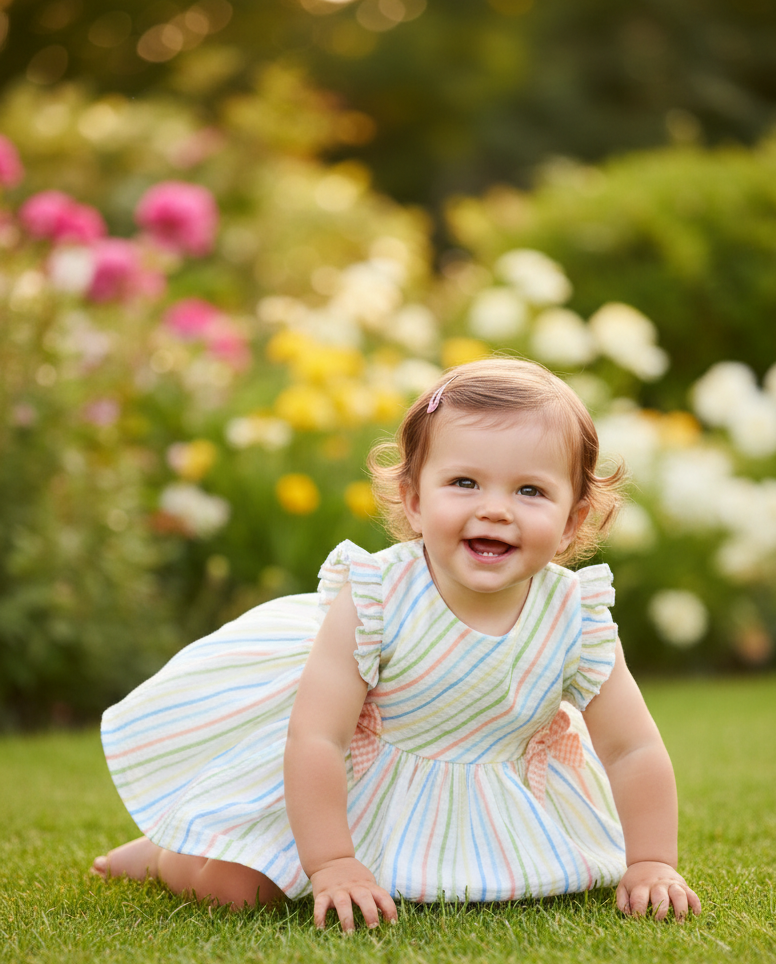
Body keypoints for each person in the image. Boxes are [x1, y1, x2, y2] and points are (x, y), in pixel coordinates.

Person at [94, 358, 701, 932]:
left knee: (529, 881)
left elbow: (631, 748)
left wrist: (652, 860)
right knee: (241, 889)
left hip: (494, 795)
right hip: (354, 786)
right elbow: (316, 737)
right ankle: (167, 853)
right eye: (464, 482)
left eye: (530, 491)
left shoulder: (575, 615)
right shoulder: (375, 597)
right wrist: (332, 861)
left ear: (573, 519)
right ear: (414, 499)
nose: (494, 510)